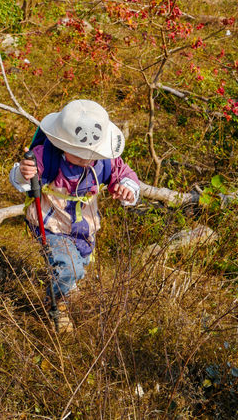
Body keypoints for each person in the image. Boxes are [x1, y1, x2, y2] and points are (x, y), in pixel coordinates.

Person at [9, 98, 141, 331]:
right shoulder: (45, 156)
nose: (87, 159)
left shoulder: (104, 160)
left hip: (85, 228)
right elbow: (23, 180)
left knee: (79, 264)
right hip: (52, 225)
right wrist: (24, 173)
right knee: (68, 268)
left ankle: (67, 285)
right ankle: (56, 306)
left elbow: (124, 175)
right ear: (62, 143)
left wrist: (127, 189)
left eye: (92, 155)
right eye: (79, 155)